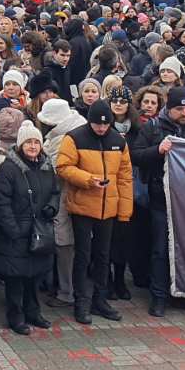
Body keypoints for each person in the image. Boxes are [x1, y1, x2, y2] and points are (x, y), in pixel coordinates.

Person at [56, 101, 132, 325]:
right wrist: (88, 180)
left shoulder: (118, 141)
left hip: (108, 209)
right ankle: (81, 301)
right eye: (97, 124)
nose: (101, 128)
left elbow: (125, 178)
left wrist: (124, 213)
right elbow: (63, 167)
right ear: (89, 121)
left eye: (106, 124)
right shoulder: (75, 138)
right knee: (83, 255)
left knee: (103, 256)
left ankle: (100, 299)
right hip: (82, 205)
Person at [0, 120, 57, 334]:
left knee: (35, 276)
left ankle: (33, 312)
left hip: (38, 231)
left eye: (36, 142)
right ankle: (16, 316)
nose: (33, 146)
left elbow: (55, 192)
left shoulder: (47, 166)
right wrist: (13, 229)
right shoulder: (9, 168)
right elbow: (1, 202)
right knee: (16, 279)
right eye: (28, 142)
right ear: (20, 145)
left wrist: (51, 208)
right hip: (15, 233)